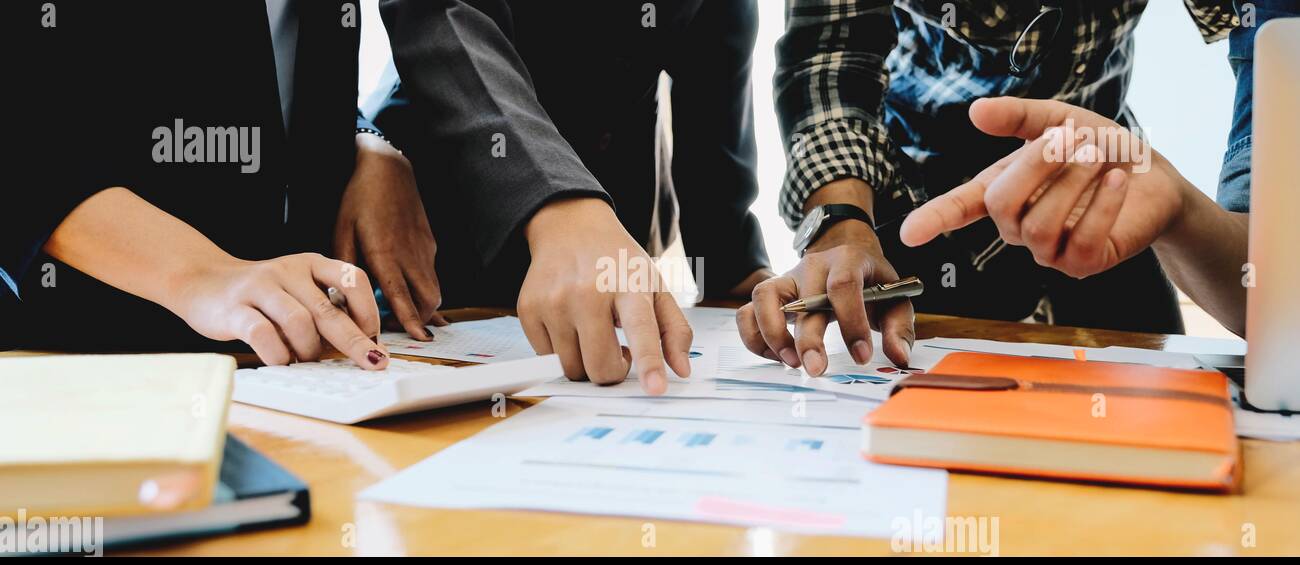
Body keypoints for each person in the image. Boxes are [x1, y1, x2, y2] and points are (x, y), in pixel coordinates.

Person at [738, 0, 1241, 375]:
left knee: (1155, 407)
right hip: (924, 214)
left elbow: (1263, 32)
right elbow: (830, 56)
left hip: (1107, 198)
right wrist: (839, 222)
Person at [3, 1, 436, 368]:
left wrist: (370, 145)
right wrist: (201, 274)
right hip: (86, 359)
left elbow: (279, 85)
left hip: (284, 366)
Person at [371, 0, 772, 394]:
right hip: (443, 216)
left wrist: (743, 269)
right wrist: (561, 205)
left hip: (613, 223)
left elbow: (715, 65)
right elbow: (441, 16)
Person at [901, 1, 1300, 337]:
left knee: (1147, 400)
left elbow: (1274, 293)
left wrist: (1179, 211)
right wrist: (843, 213)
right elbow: (841, 57)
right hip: (922, 190)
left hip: (1113, 184)